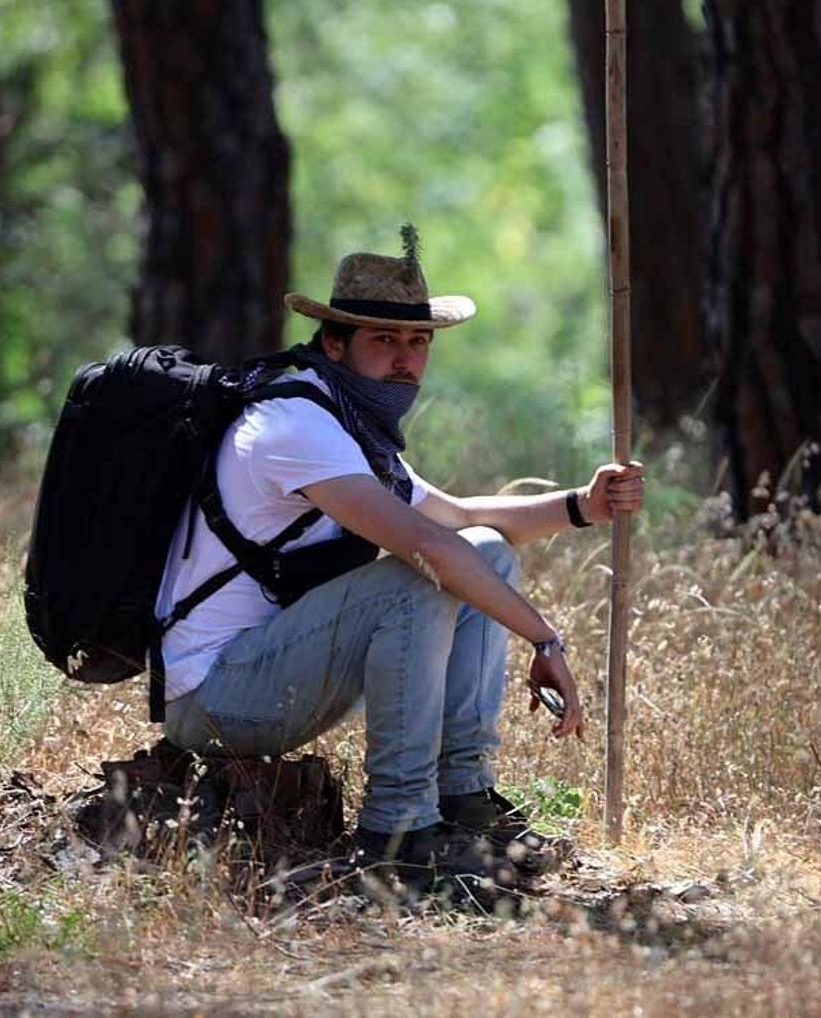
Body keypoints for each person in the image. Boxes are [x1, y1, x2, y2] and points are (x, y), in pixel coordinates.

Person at [155, 229, 644, 882]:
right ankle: (400, 835)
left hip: (272, 672)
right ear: (334, 343)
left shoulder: (348, 426)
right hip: (215, 699)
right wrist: (545, 640)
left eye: (418, 342)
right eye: (383, 341)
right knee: (420, 581)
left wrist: (584, 504)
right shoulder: (296, 427)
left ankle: (461, 799)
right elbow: (424, 546)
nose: (405, 360)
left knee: (486, 553)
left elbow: (463, 521)